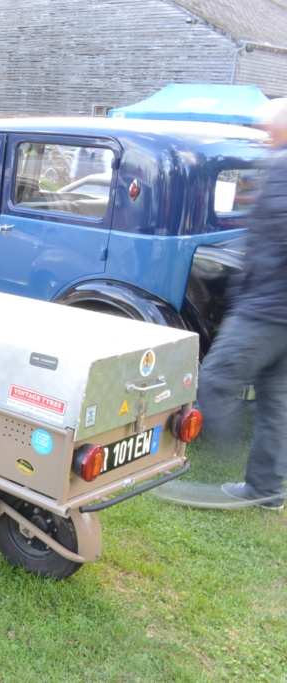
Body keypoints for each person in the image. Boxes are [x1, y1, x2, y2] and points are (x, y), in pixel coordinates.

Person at [198, 97, 287, 511]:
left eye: (268, 129)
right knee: (275, 401)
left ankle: (218, 456)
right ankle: (266, 487)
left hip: (267, 308)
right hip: (274, 308)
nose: (265, 137)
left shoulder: (284, 167)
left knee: (214, 379)